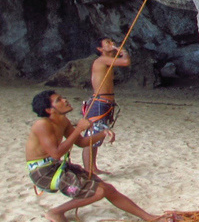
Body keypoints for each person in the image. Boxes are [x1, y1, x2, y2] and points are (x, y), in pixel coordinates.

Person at [25, 90, 159, 222]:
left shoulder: (63, 121)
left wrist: (103, 133)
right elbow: (56, 153)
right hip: (43, 173)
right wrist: (79, 129)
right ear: (49, 110)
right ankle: (55, 212)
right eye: (58, 100)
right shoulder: (42, 125)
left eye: (62, 97)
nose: (65, 100)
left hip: (55, 167)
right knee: (98, 192)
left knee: (107, 189)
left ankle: (149, 218)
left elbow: (81, 142)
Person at [82, 38, 130, 175]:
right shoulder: (102, 60)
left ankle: (93, 167)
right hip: (99, 102)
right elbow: (126, 61)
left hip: (104, 102)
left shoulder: (107, 62)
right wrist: (122, 51)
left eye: (112, 41)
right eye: (107, 43)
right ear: (100, 49)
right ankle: (88, 169)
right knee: (92, 136)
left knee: (97, 136)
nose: (112, 43)